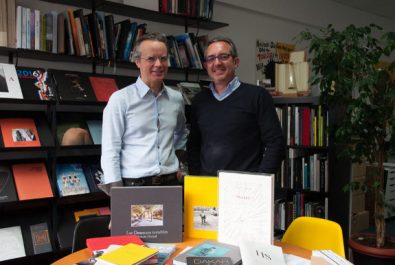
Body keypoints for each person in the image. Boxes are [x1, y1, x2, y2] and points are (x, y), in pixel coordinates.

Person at [99, 33, 188, 195]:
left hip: (170, 183)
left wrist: (175, 162)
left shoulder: (176, 98)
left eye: (163, 58)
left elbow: (181, 134)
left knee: (173, 222)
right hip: (135, 185)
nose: (158, 64)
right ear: (137, 61)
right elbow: (110, 149)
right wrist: (117, 194)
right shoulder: (120, 99)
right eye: (151, 59)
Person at [187, 37, 285, 176]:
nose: (217, 63)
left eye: (223, 56)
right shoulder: (199, 101)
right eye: (211, 58)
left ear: (236, 62)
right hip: (207, 186)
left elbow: (275, 143)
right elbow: (194, 146)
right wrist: (197, 177)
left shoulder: (257, 96)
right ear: (205, 66)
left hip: (244, 189)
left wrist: (261, 180)